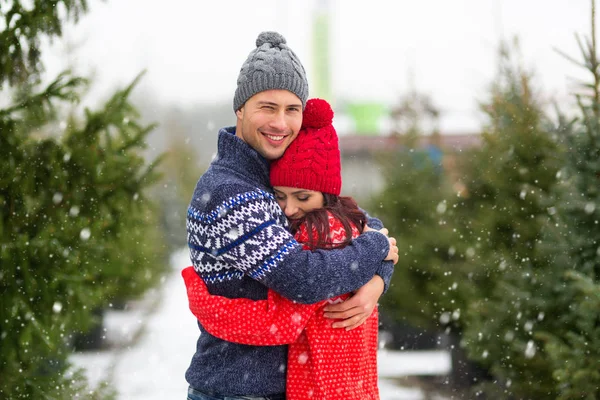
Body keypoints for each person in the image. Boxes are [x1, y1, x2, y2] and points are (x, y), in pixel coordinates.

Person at [184, 31, 398, 400]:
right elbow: (303, 279)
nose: (281, 123)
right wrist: (375, 251)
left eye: (292, 109)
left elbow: (357, 223)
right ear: (240, 109)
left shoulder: (270, 172)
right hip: (237, 390)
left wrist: (377, 279)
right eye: (267, 107)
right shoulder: (229, 191)